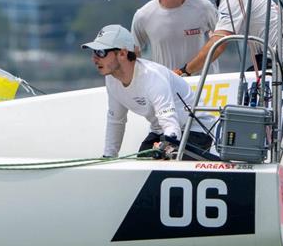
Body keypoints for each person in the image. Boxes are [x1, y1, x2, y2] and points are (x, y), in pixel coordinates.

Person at [82, 24, 216, 159]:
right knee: (141, 164)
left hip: (196, 130)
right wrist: (108, 156)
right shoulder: (111, 79)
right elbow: (116, 120)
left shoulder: (152, 76)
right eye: (94, 52)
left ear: (122, 53)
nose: (94, 58)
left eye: (101, 52)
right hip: (160, 130)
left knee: (160, 161)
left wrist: (168, 145)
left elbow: (170, 123)